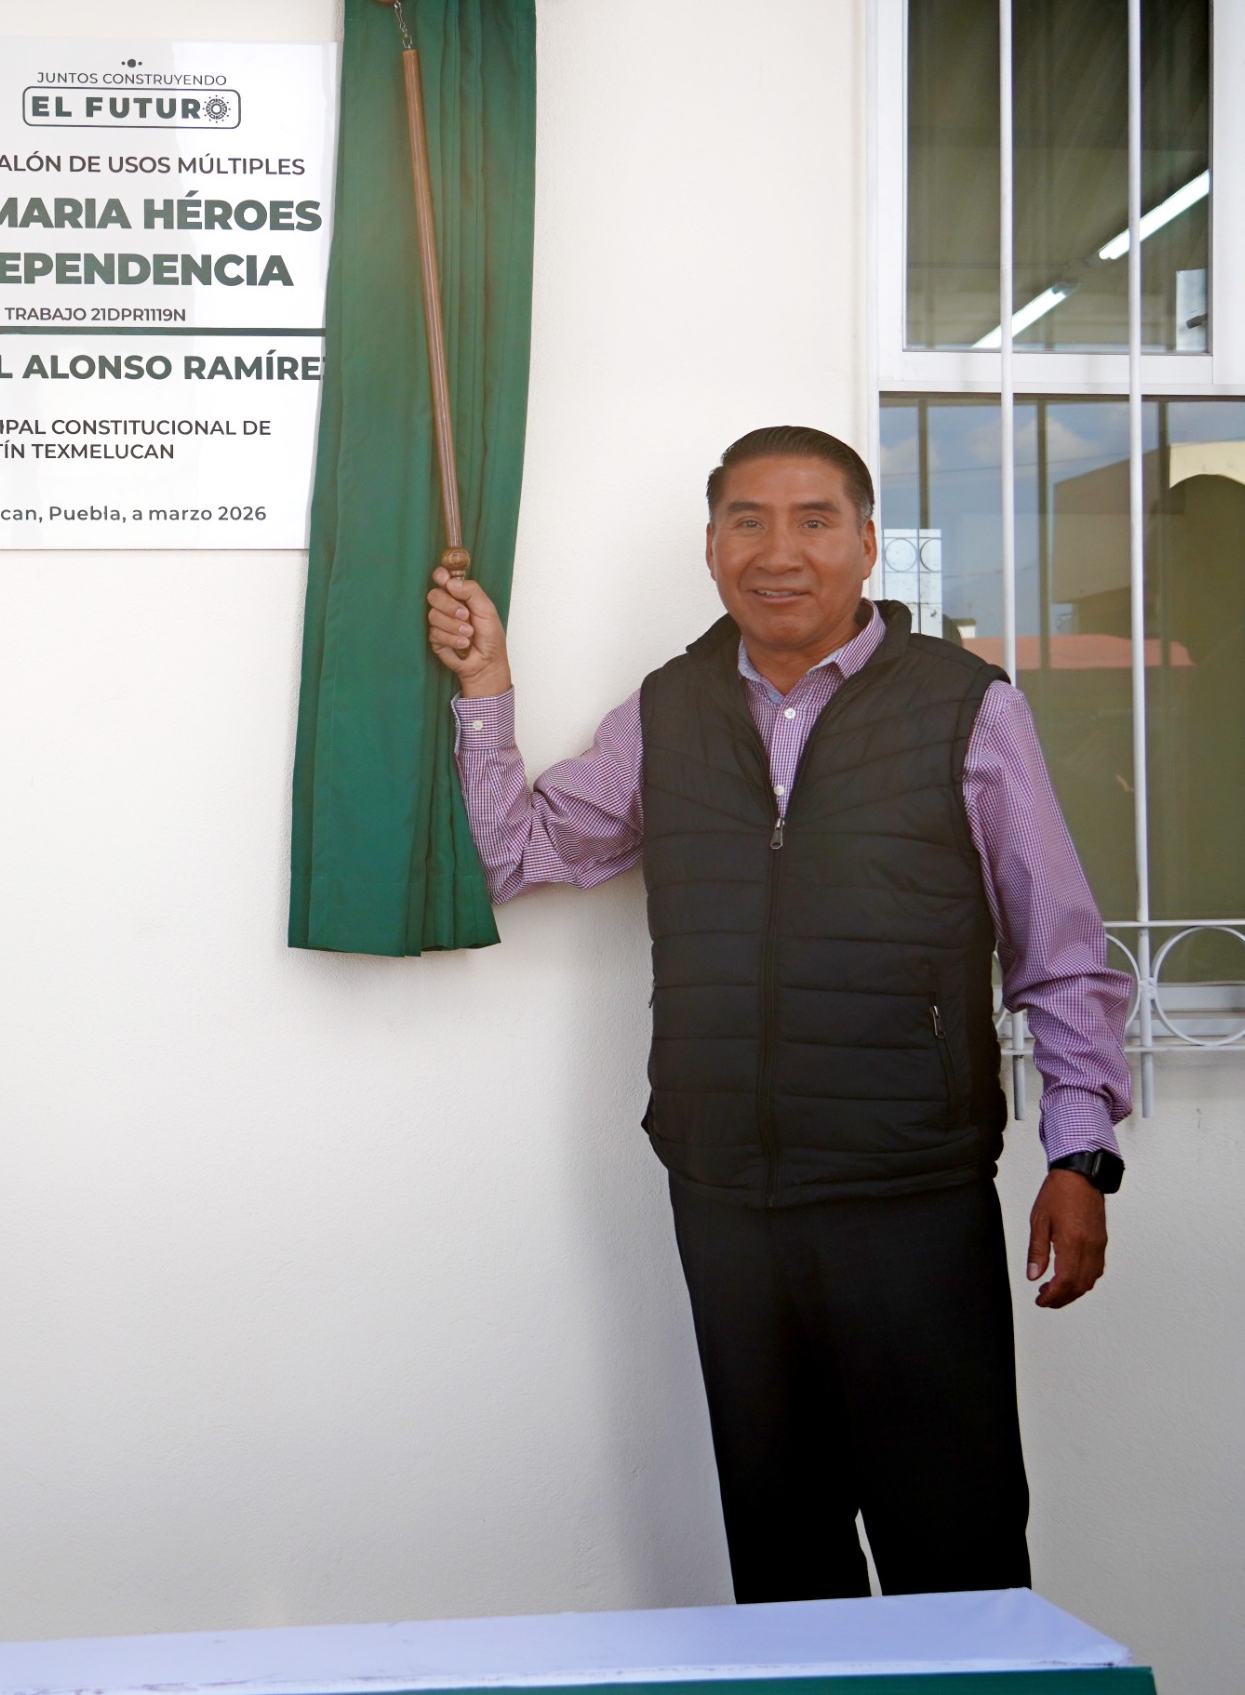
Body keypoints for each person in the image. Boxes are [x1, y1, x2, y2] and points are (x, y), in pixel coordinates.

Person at [425, 424, 1131, 1602]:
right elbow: (519, 854)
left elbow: (1056, 948)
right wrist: (486, 687)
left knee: (953, 1550)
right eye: (746, 521)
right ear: (711, 548)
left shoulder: (965, 708)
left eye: (813, 520)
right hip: (724, 1194)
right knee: (780, 1554)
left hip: (908, 1192)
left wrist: (1081, 1152)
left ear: (866, 544)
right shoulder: (667, 710)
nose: (778, 550)